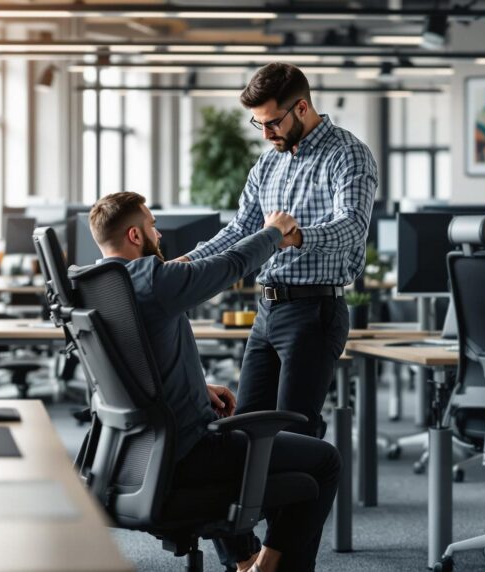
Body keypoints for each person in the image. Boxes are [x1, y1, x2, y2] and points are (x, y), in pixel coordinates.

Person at [88, 191, 341, 572]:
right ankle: (267, 567)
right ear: (136, 236)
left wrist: (194, 388)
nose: (158, 235)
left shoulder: (96, 286)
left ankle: (247, 562)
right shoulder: (153, 280)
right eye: (153, 226)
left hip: (131, 458)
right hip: (186, 454)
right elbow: (231, 264)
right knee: (324, 461)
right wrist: (273, 232)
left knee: (246, 441)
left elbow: (127, 366)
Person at [176, 62, 377, 439]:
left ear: (302, 107)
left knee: (293, 431)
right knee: (246, 427)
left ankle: (299, 500)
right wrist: (186, 262)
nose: (266, 133)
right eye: (259, 124)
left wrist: (295, 236)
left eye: (273, 122)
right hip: (267, 311)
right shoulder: (269, 162)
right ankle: (257, 501)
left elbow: (352, 227)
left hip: (313, 310)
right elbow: (241, 230)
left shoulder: (347, 154)